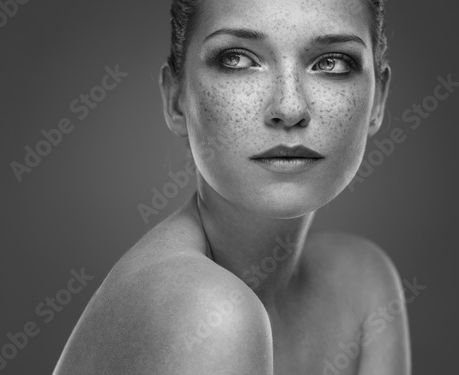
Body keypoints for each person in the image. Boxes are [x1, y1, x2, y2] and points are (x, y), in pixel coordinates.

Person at [53, 0, 411, 373]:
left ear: (378, 100)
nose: (289, 107)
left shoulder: (363, 283)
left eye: (332, 63)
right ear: (176, 98)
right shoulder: (209, 313)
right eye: (237, 59)